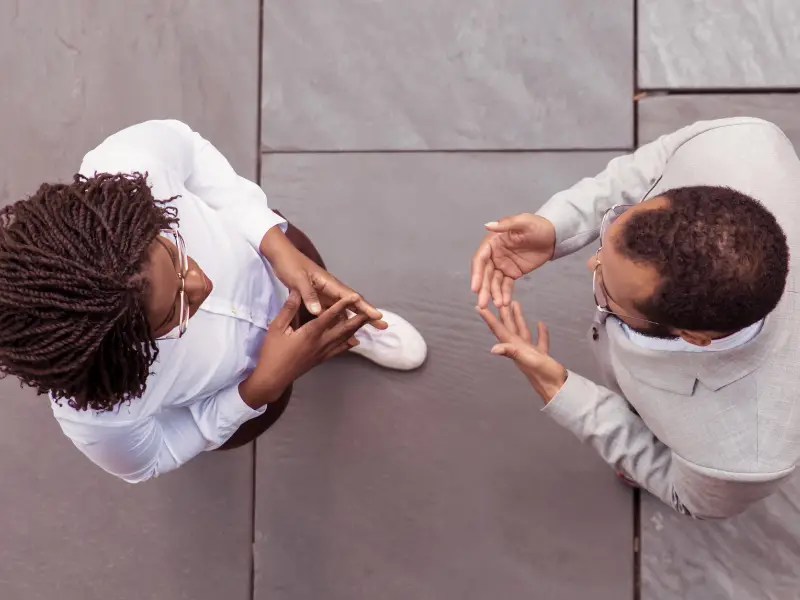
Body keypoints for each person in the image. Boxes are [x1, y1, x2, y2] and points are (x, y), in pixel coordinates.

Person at [0, 119, 427, 483]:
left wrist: (272, 243)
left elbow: (189, 150)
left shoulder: (126, 165)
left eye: (175, 253)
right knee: (268, 410)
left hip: (267, 261)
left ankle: (346, 327)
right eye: (175, 313)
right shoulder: (99, 414)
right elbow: (153, 456)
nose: (202, 284)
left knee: (317, 275)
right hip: (239, 384)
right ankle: (323, 342)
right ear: (119, 350)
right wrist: (259, 388)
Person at [471, 117, 800, 519]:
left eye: (605, 289)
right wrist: (558, 226)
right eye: (613, 231)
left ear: (695, 337)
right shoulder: (738, 141)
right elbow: (650, 167)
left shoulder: (742, 458)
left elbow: (684, 494)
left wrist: (560, 389)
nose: (590, 261)